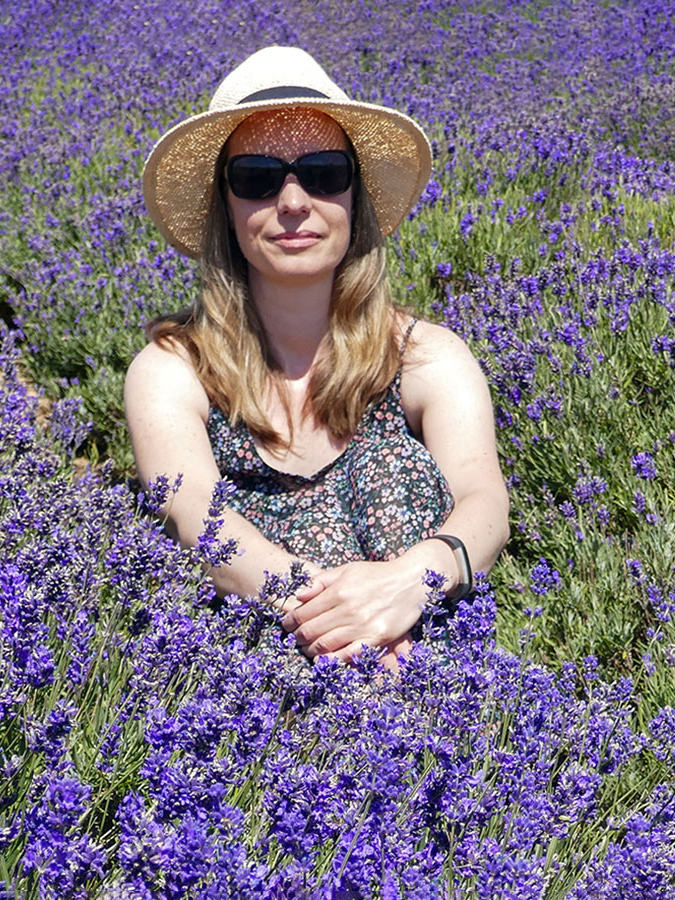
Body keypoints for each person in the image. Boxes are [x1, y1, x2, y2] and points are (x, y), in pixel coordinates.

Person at [126, 46, 509, 668]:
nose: (294, 202)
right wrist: (343, 621)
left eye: (324, 172)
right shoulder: (172, 368)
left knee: (392, 466)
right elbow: (192, 509)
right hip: (251, 681)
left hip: (419, 651)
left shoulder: (426, 356)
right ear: (226, 203)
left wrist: (408, 582)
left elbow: (484, 503)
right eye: (257, 177)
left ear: (353, 196)